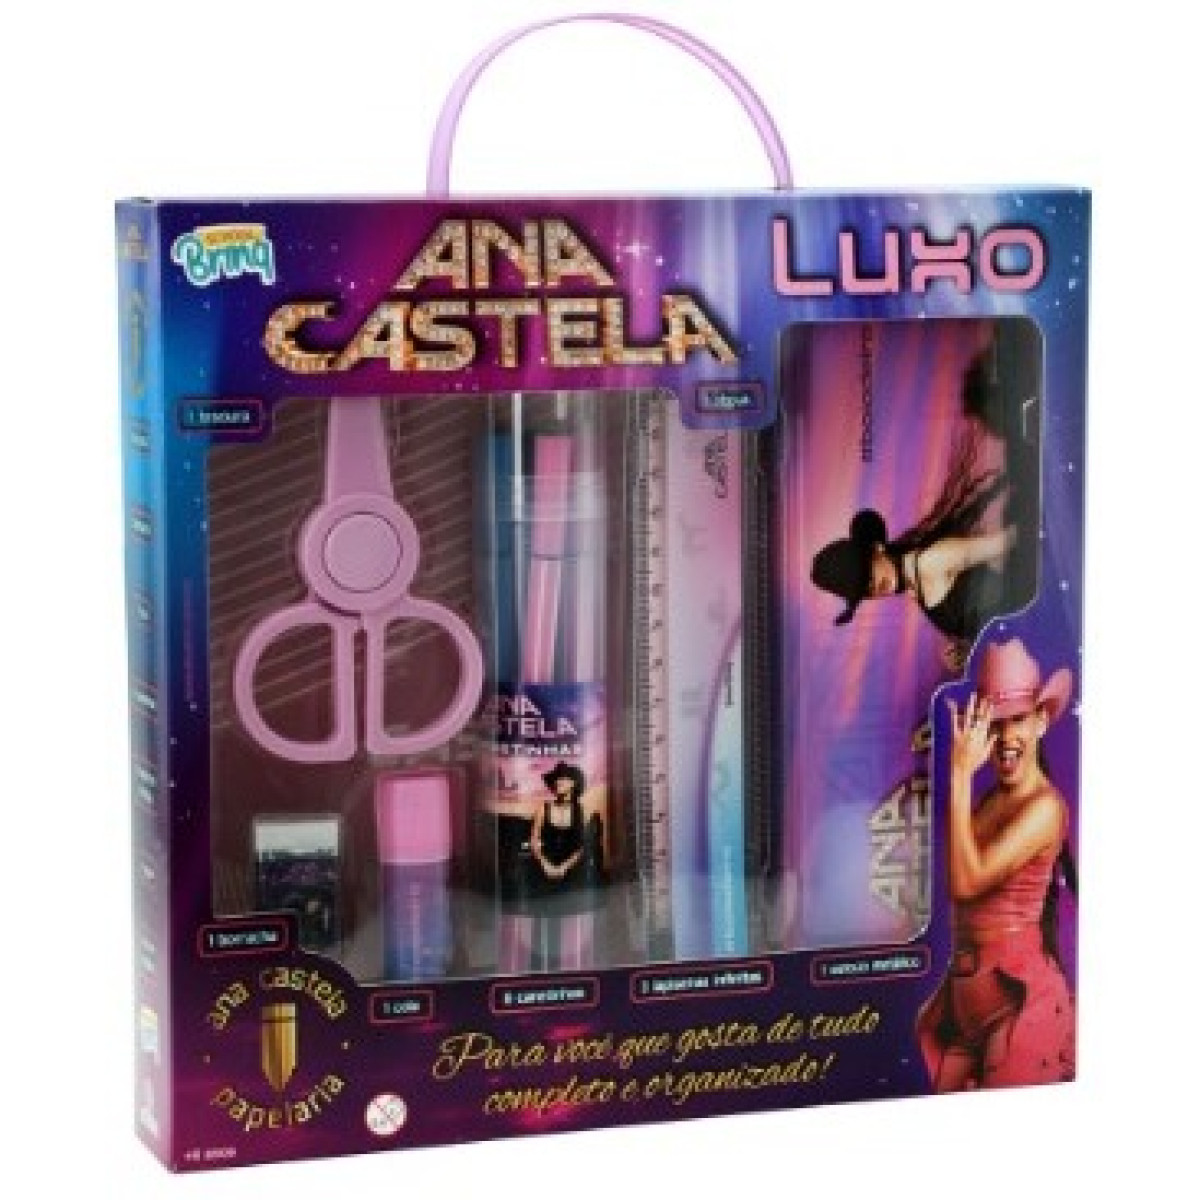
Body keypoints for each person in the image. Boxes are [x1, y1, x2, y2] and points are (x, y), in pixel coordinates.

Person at [811, 342, 1038, 663]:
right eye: (865, 591)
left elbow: (1014, 544)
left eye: (868, 576)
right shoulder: (919, 585)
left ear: (877, 549)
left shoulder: (931, 562)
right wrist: (967, 650)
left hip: (1037, 626)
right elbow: (986, 615)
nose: (875, 587)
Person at [916, 638, 1076, 1090]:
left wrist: (959, 774)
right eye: (995, 722)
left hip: (1019, 1008)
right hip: (964, 1010)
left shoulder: (1044, 808)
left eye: (1018, 719)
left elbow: (965, 883)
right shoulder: (989, 801)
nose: (1006, 737)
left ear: (1041, 719)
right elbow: (954, 884)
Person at [530, 762, 589, 889]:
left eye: (563, 778)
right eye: (556, 779)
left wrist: (564, 867)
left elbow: (582, 846)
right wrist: (545, 865)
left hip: (572, 869)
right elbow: (534, 841)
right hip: (544, 867)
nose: (558, 782)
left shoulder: (580, 811)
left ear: (573, 783)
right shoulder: (543, 808)